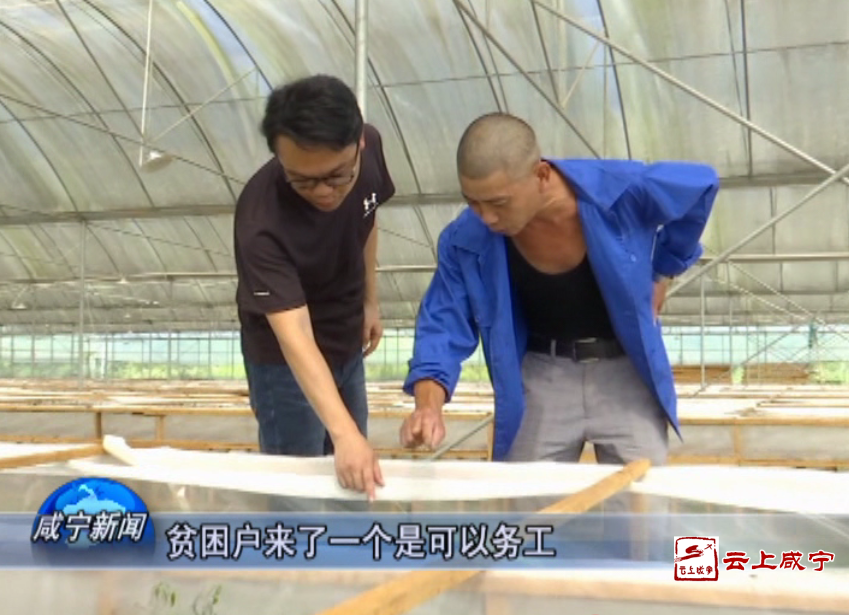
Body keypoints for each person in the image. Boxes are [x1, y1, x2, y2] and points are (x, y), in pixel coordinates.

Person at [399, 112, 719, 467]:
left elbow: (701, 185)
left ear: (541, 175)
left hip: (626, 375)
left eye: (499, 202)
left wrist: (664, 269)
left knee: (640, 496)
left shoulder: (619, 191)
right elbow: (443, 324)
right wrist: (428, 407)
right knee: (526, 499)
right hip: (541, 378)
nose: (486, 217)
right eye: (473, 201)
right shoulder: (467, 238)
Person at [234, 74, 395, 500]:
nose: (323, 192)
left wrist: (370, 301)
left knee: (355, 480)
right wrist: (344, 434)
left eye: (337, 176)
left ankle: (349, 544)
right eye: (302, 180)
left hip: (345, 339)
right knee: (297, 486)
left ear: (359, 144)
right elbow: (296, 336)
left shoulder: (371, 152)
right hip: (282, 363)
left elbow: (368, 217)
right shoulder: (260, 221)